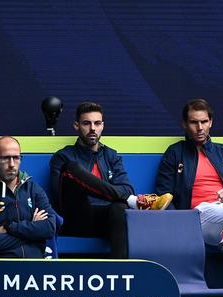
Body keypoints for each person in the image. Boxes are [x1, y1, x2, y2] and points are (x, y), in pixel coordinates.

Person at [155, 99, 223, 297]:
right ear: (184, 124)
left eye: (204, 122)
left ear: (211, 122)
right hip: (196, 219)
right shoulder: (175, 153)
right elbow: (163, 194)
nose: (199, 128)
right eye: (194, 122)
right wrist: (178, 225)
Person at [49, 102, 172, 258]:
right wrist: (127, 198)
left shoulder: (111, 155)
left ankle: (120, 272)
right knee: (70, 169)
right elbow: (58, 196)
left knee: (119, 208)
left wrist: (123, 197)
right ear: (76, 125)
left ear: (103, 126)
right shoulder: (63, 156)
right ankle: (135, 202)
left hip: (107, 221)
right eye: (86, 123)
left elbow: (127, 188)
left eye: (97, 123)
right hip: (77, 218)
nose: (92, 128)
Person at [0, 136, 56, 258]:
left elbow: (50, 227)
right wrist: (34, 234)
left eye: (16, 158)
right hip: (2, 269)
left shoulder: (33, 189)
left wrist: (10, 227)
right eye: (5, 158)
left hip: (36, 267)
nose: (11, 164)